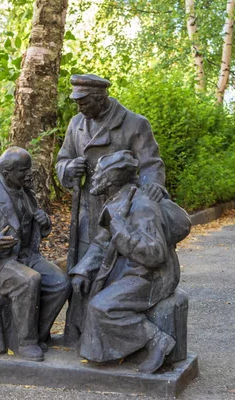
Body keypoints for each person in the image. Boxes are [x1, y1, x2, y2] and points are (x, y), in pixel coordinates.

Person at [56, 74, 167, 341]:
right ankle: (78, 331)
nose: (79, 108)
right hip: (88, 207)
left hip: (123, 208)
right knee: (83, 267)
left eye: (83, 103)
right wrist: (69, 168)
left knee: (116, 268)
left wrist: (150, 190)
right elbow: (62, 160)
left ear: (100, 98)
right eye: (77, 103)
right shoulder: (77, 124)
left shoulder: (134, 123)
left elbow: (151, 164)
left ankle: (111, 334)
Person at [68, 150, 191, 374]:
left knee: (101, 307)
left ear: (112, 179)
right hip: (128, 269)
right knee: (89, 294)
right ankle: (112, 350)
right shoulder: (119, 201)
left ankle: (156, 341)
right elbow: (103, 243)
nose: (93, 179)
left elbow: (155, 254)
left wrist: (120, 229)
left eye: (99, 174)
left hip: (152, 276)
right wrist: (83, 270)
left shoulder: (142, 206)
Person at [0, 147, 71, 361]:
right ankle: (24, 342)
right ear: (7, 174)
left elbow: (32, 225)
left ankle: (38, 334)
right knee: (28, 280)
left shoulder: (26, 192)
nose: (29, 174)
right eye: (23, 170)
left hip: (26, 256)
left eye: (29, 168)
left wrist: (44, 223)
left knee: (60, 282)